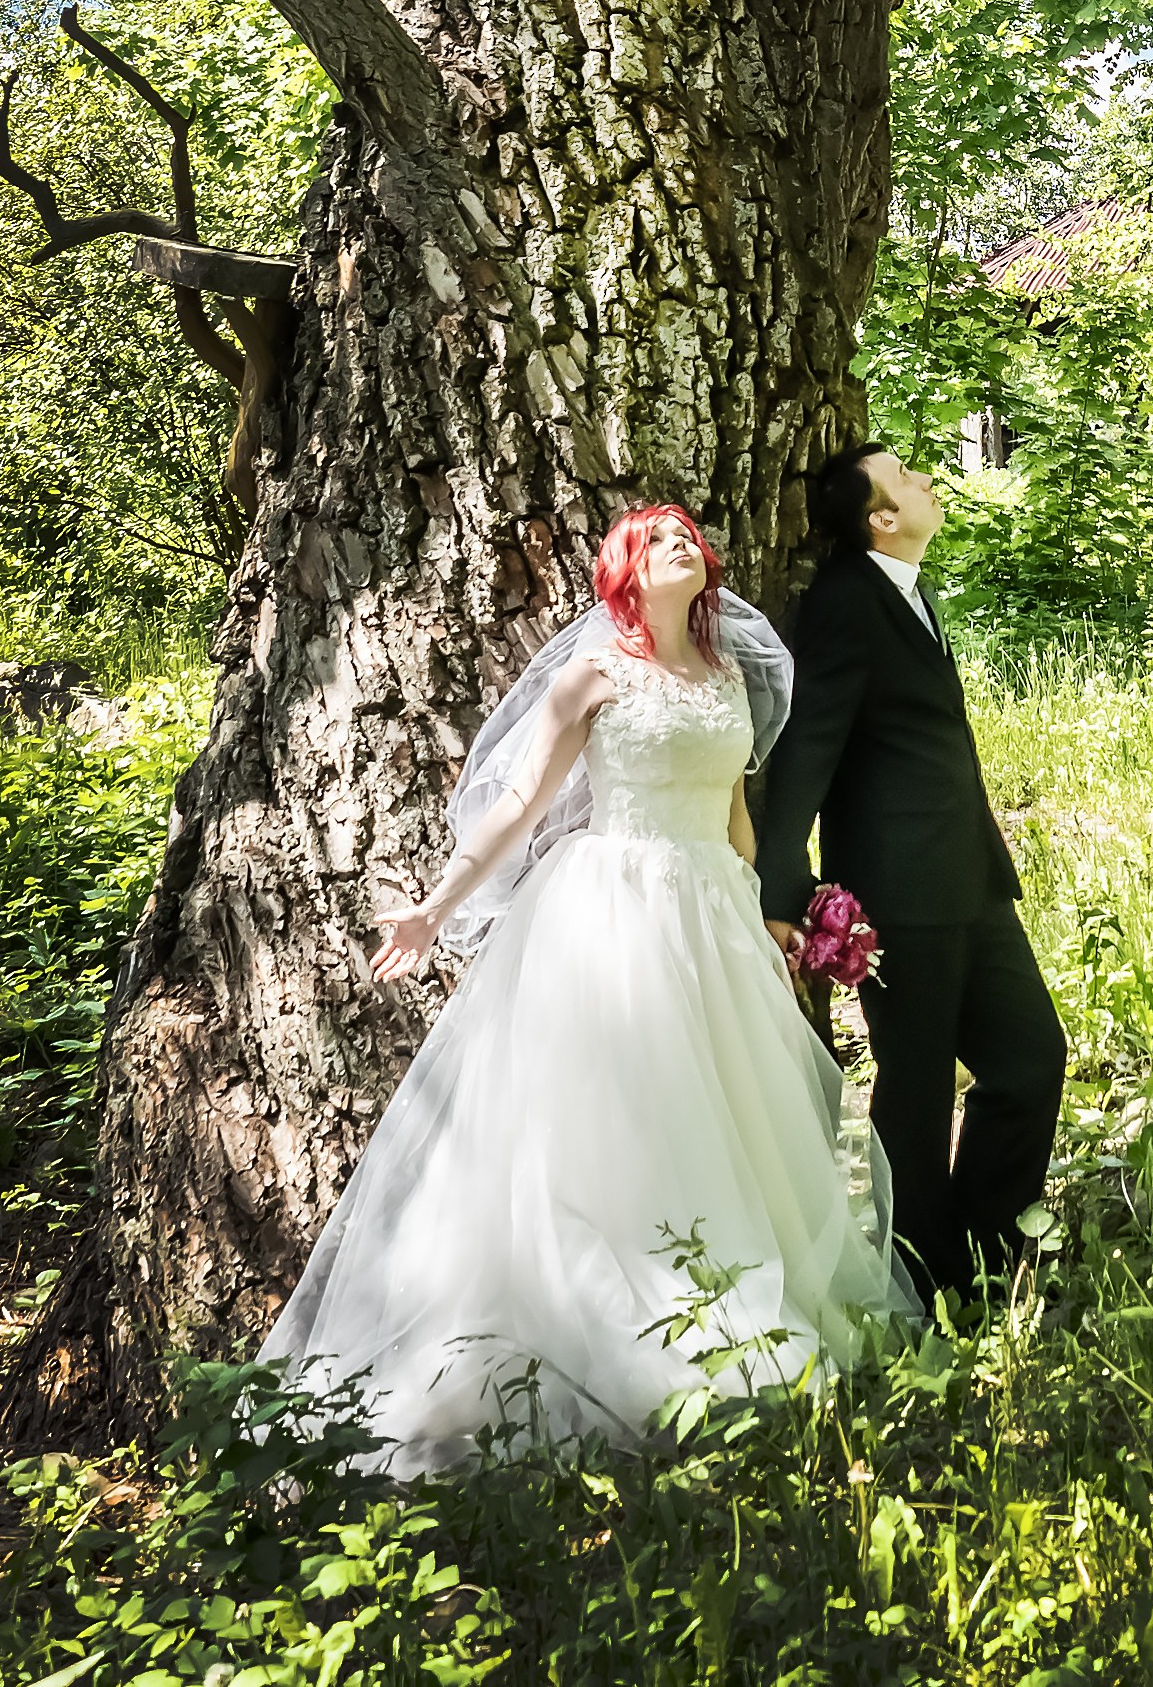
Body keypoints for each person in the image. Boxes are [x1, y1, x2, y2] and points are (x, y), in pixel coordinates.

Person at [261, 498, 916, 1471]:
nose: (678, 543)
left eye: (687, 533)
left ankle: (723, 1305)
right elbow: (521, 801)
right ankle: (610, 1328)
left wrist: (787, 915)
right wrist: (433, 907)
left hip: (713, 916)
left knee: (721, 1118)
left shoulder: (728, 671)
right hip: (613, 915)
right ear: (622, 569)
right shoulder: (592, 672)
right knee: (621, 1120)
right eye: (654, 538)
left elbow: (736, 814)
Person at [755, 444, 1067, 1305]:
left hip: (970, 881)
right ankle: (927, 1288)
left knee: (1031, 1059)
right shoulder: (847, 604)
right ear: (879, 520)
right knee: (919, 1093)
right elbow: (806, 749)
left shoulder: (910, 590)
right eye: (906, 479)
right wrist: (786, 890)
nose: (926, 480)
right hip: (898, 896)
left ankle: (989, 1257)